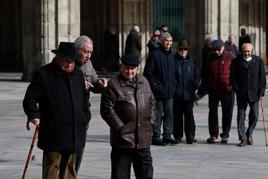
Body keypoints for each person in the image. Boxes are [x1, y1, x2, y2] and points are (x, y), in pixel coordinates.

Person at [23, 42, 89, 179]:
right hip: (53, 131)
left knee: (70, 169)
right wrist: (34, 115)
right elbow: (30, 98)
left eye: (73, 61)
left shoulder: (78, 74)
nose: (70, 64)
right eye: (67, 61)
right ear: (58, 57)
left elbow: (84, 99)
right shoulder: (44, 74)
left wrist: (84, 117)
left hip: (74, 132)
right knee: (52, 168)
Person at [100, 54, 155, 179]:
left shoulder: (144, 81)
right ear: (121, 67)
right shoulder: (114, 85)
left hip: (143, 140)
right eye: (126, 68)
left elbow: (152, 102)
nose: (129, 71)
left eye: (132, 68)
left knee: (146, 174)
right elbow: (107, 110)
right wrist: (121, 128)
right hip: (122, 142)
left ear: (137, 68)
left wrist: (151, 122)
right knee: (120, 176)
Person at [74, 35, 107, 173]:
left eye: (90, 52)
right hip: (66, 116)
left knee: (79, 153)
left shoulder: (88, 64)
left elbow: (93, 81)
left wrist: (100, 84)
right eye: (85, 52)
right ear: (76, 50)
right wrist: (78, 84)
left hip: (82, 115)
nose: (88, 56)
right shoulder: (66, 61)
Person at [197, 39, 235, 144]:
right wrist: (202, 90)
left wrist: (234, 86)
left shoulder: (231, 57)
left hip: (228, 89)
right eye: (215, 50)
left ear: (223, 47)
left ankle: (225, 135)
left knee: (227, 113)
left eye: (219, 49)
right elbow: (205, 74)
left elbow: (237, 74)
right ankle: (214, 134)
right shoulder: (211, 57)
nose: (217, 52)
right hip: (213, 90)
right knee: (212, 112)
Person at [143, 32, 177, 145]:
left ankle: (168, 135)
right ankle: (156, 136)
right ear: (161, 41)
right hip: (158, 91)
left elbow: (175, 73)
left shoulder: (172, 55)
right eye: (166, 40)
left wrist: (174, 84)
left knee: (169, 114)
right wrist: (155, 86)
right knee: (157, 114)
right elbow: (148, 73)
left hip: (169, 91)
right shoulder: (155, 54)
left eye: (170, 41)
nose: (169, 43)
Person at [230, 43, 266, 146]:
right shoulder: (236, 61)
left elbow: (262, 78)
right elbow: (232, 77)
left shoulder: (258, 61)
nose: (247, 53)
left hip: (254, 93)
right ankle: (243, 138)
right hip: (241, 93)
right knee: (241, 116)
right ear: (242, 51)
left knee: (255, 115)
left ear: (252, 51)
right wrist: (236, 88)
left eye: (248, 51)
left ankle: (249, 133)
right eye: (245, 51)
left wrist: (261, 91)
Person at [173, 40, 200, 144]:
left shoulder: (192, 60)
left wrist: (195, 85)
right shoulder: (173, 60)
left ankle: (190, 135)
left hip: (189, 94)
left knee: (189, 115)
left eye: (185, 49)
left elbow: (197, 74)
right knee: (177, 116)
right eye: (181, 49)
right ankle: (178, 136)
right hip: (177, 93)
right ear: (178, 49)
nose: (183, 51)